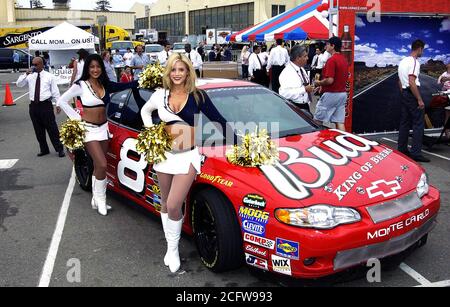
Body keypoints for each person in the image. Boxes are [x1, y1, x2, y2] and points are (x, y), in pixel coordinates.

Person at [140, 53, 234, 273]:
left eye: (181, 70)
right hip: (164, 156)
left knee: (174, 204)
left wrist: (240, 144)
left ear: (188, 72)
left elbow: (219, 121)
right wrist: (150, 134)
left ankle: (173, 249)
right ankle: (171, 248)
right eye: (173, 69)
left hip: (187, 157)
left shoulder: (198, 96)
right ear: (168, 72)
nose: (177, 74)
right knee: (164, 203)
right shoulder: (159, 95)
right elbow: (146, 112)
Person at [57, 54, 139, 216]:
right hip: (89, 130)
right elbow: (62, 101)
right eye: (92, 67)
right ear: (87, 68)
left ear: (102, 68)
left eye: (98, 67)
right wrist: (77, 119)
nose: (95, 70)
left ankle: (95, 198)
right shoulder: (81, 85)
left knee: (98, 165)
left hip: (104, 129)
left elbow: (125, 86)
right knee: (101, 164)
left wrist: (142, 82)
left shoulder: (105, 84)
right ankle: (101, 199)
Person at [16, 57, 65, 158]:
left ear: (42, 65)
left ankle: (59, 149)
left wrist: (58, 104)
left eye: (36, 64)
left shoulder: (49, 76)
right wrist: (26, 73)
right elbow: (19, 84)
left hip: (45, 105)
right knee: (38, 130)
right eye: (33, 64)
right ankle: (44, 149)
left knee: (52, 129)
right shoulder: (30, 76)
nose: (34, 66)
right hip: (34, 106)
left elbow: (55, 92)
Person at [397, 39, 430, 162]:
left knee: (404, 122)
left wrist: (404, 94)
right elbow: (412, 81)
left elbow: (399, 81)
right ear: (420, 48)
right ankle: (416, 153)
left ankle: (402, 149)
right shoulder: (415, 62)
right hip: (411, 93)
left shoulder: (402, 61)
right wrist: (419, 99)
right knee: (418, 124)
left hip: (405, 93)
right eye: (423, 50)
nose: (422, 52)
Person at [313, 36, 349, 132]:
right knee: (339, 122)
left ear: (332, 46)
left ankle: (317, 143)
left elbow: (330, 80)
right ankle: (343, 142)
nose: (326, 47)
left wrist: (319, 83)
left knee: (317, 120)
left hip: (331, 94)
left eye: (327, 44)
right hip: (342, 94)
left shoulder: (331, 60)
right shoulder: (344, 60)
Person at [279, 45, 314, 114]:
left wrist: (311, 89)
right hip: (294, 107)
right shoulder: (287, 72)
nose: (307, 58)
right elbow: (284, 94)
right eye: (305, 56)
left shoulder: (301, 69)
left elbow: (303, 85)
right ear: (298, 58)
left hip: (304, 105)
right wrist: (304, 89)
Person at [437, 63, 450, 139]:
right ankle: (447, 136)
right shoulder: (444, 74)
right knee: (448, 116)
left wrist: (447, 79)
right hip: (447, 95)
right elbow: (440, 80)